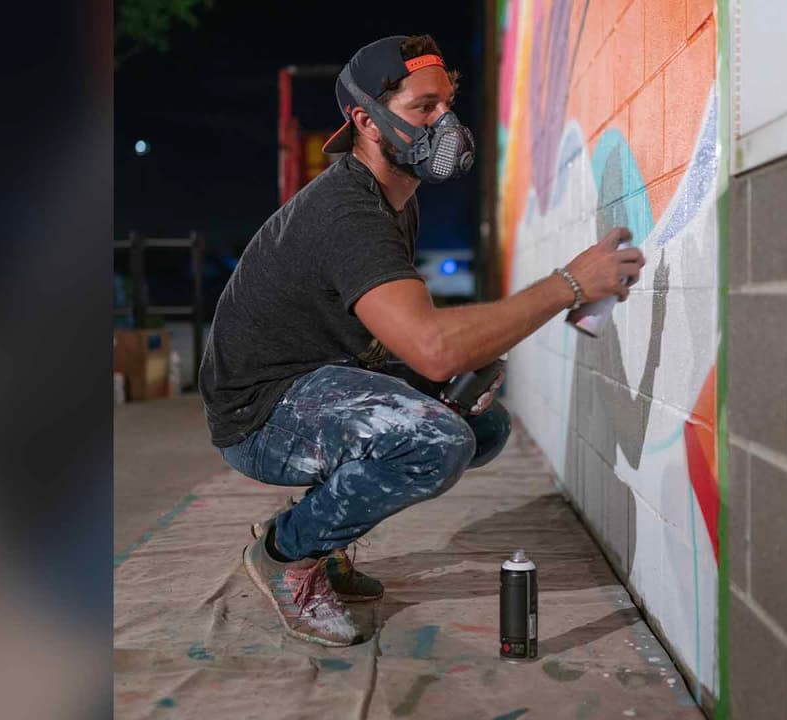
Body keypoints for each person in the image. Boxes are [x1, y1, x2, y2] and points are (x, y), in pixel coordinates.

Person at [199, 34, 644, 647]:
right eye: (424, 108)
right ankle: (285, 556)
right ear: (365, 120)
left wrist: (457, 364)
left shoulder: (394, 200)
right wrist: (569, 285)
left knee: (481, 425)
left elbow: (406, 336)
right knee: (434, 439)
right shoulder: (347, 214)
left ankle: (320, 538)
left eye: (447, 104)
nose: (446, 123)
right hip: (260, 415)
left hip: (312, 379)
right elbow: (433, 346)